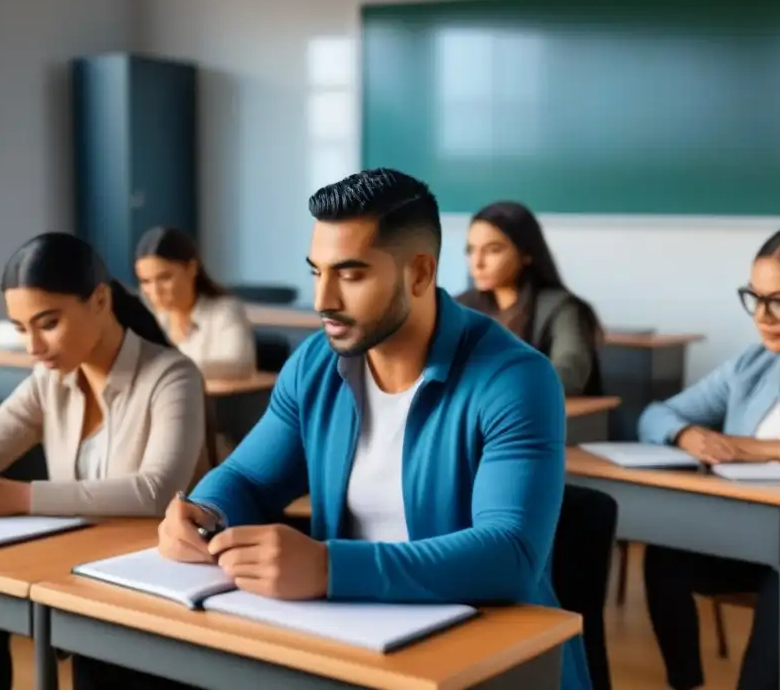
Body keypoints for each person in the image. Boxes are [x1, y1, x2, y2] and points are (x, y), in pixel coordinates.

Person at [154, 169, 592, 690]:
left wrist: (328, 569)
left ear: (420, 274)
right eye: (317, 272)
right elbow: (248, 477)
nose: (324, 300)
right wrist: (206, 513)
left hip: (492, 661)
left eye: (351, 274)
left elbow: (510, 553)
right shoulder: (315, 363)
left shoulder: (517, 379)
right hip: (351, 646)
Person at [0, 232, 206, 690]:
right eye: (20, 328)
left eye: (47, 323)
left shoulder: (172, 375)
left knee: (98, 658)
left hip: (156, 572)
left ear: (100, 300)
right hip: (76, 557)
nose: (33, 346)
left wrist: (18, 496)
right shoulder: (49, 378)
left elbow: (157, 490)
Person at [638, 223, 780, 690]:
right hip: (756, 539)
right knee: (663, 556)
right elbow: (654, 415)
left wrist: (765, 449)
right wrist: (686, 435)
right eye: (754, 297)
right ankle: (687, 684)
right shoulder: (751, 366)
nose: (763, 315)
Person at [456, 201, 603, 396]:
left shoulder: (563, 308)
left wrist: (496, 390)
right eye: (471, 250)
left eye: (493, 250)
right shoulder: (460, 306)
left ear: (526, 253)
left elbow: (569, 372)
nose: (477, 262)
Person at [135, 226, 257, 380]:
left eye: (164, 278)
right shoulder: (148, 317)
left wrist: (169, 369)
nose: (155, 291)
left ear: (192, 268)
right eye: (145, 281)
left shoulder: (224, 310)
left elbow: (241, 365)